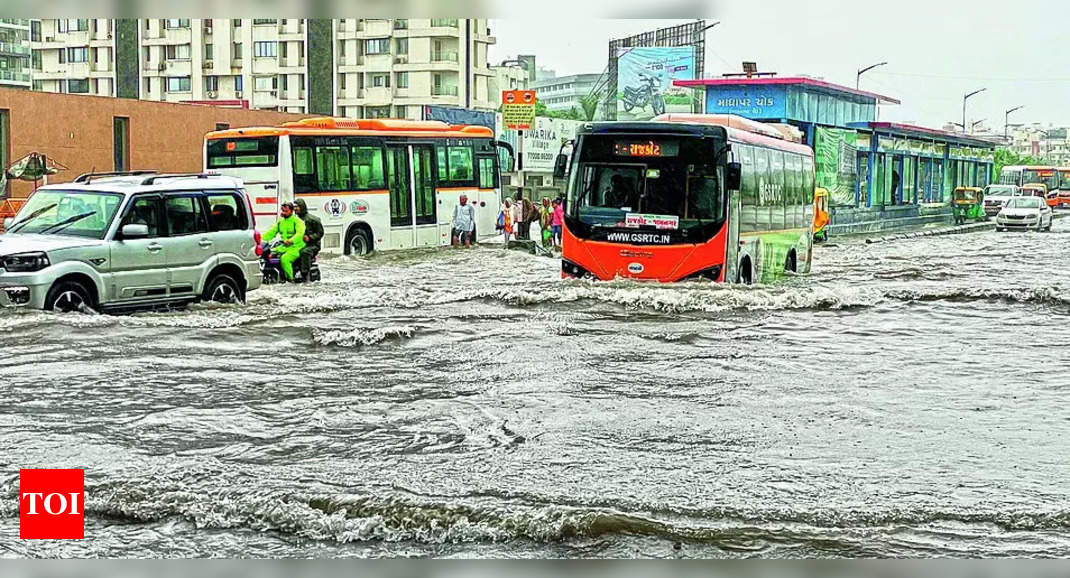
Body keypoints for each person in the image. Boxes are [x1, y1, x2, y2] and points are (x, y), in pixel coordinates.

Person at [261, 202, 305, 282]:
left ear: (291, 211)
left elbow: (300, 234)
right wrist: (258, 239)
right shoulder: (280, 222)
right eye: (282, 211)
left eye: (286, 211)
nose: (283, 213)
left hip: (297, 247)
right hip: (284, 246)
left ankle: (291, 279)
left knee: (284, 259)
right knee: (267, 254)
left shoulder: (298, 221)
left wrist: (291, 240)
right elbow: (271, 233)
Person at [293, 199, 323, 283]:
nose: (295, 209)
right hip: (299, 244)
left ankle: (304, 275)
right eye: (294, 207)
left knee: (304, 252)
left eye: (297, 207)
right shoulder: (295, 220)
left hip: (312, 246)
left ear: (302, 207)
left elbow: (320, 233)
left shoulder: (313, 219)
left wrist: (310, 238)